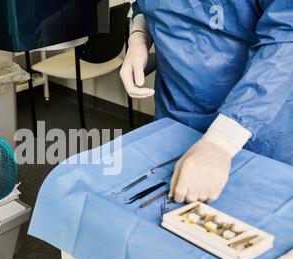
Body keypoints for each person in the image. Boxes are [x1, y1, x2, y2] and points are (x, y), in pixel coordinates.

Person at [120, 0, 293, 204]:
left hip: (251, 123)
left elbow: (286, 37)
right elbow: (145, 5)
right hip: (176, 113)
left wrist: (222, 140)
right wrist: (140, 36)